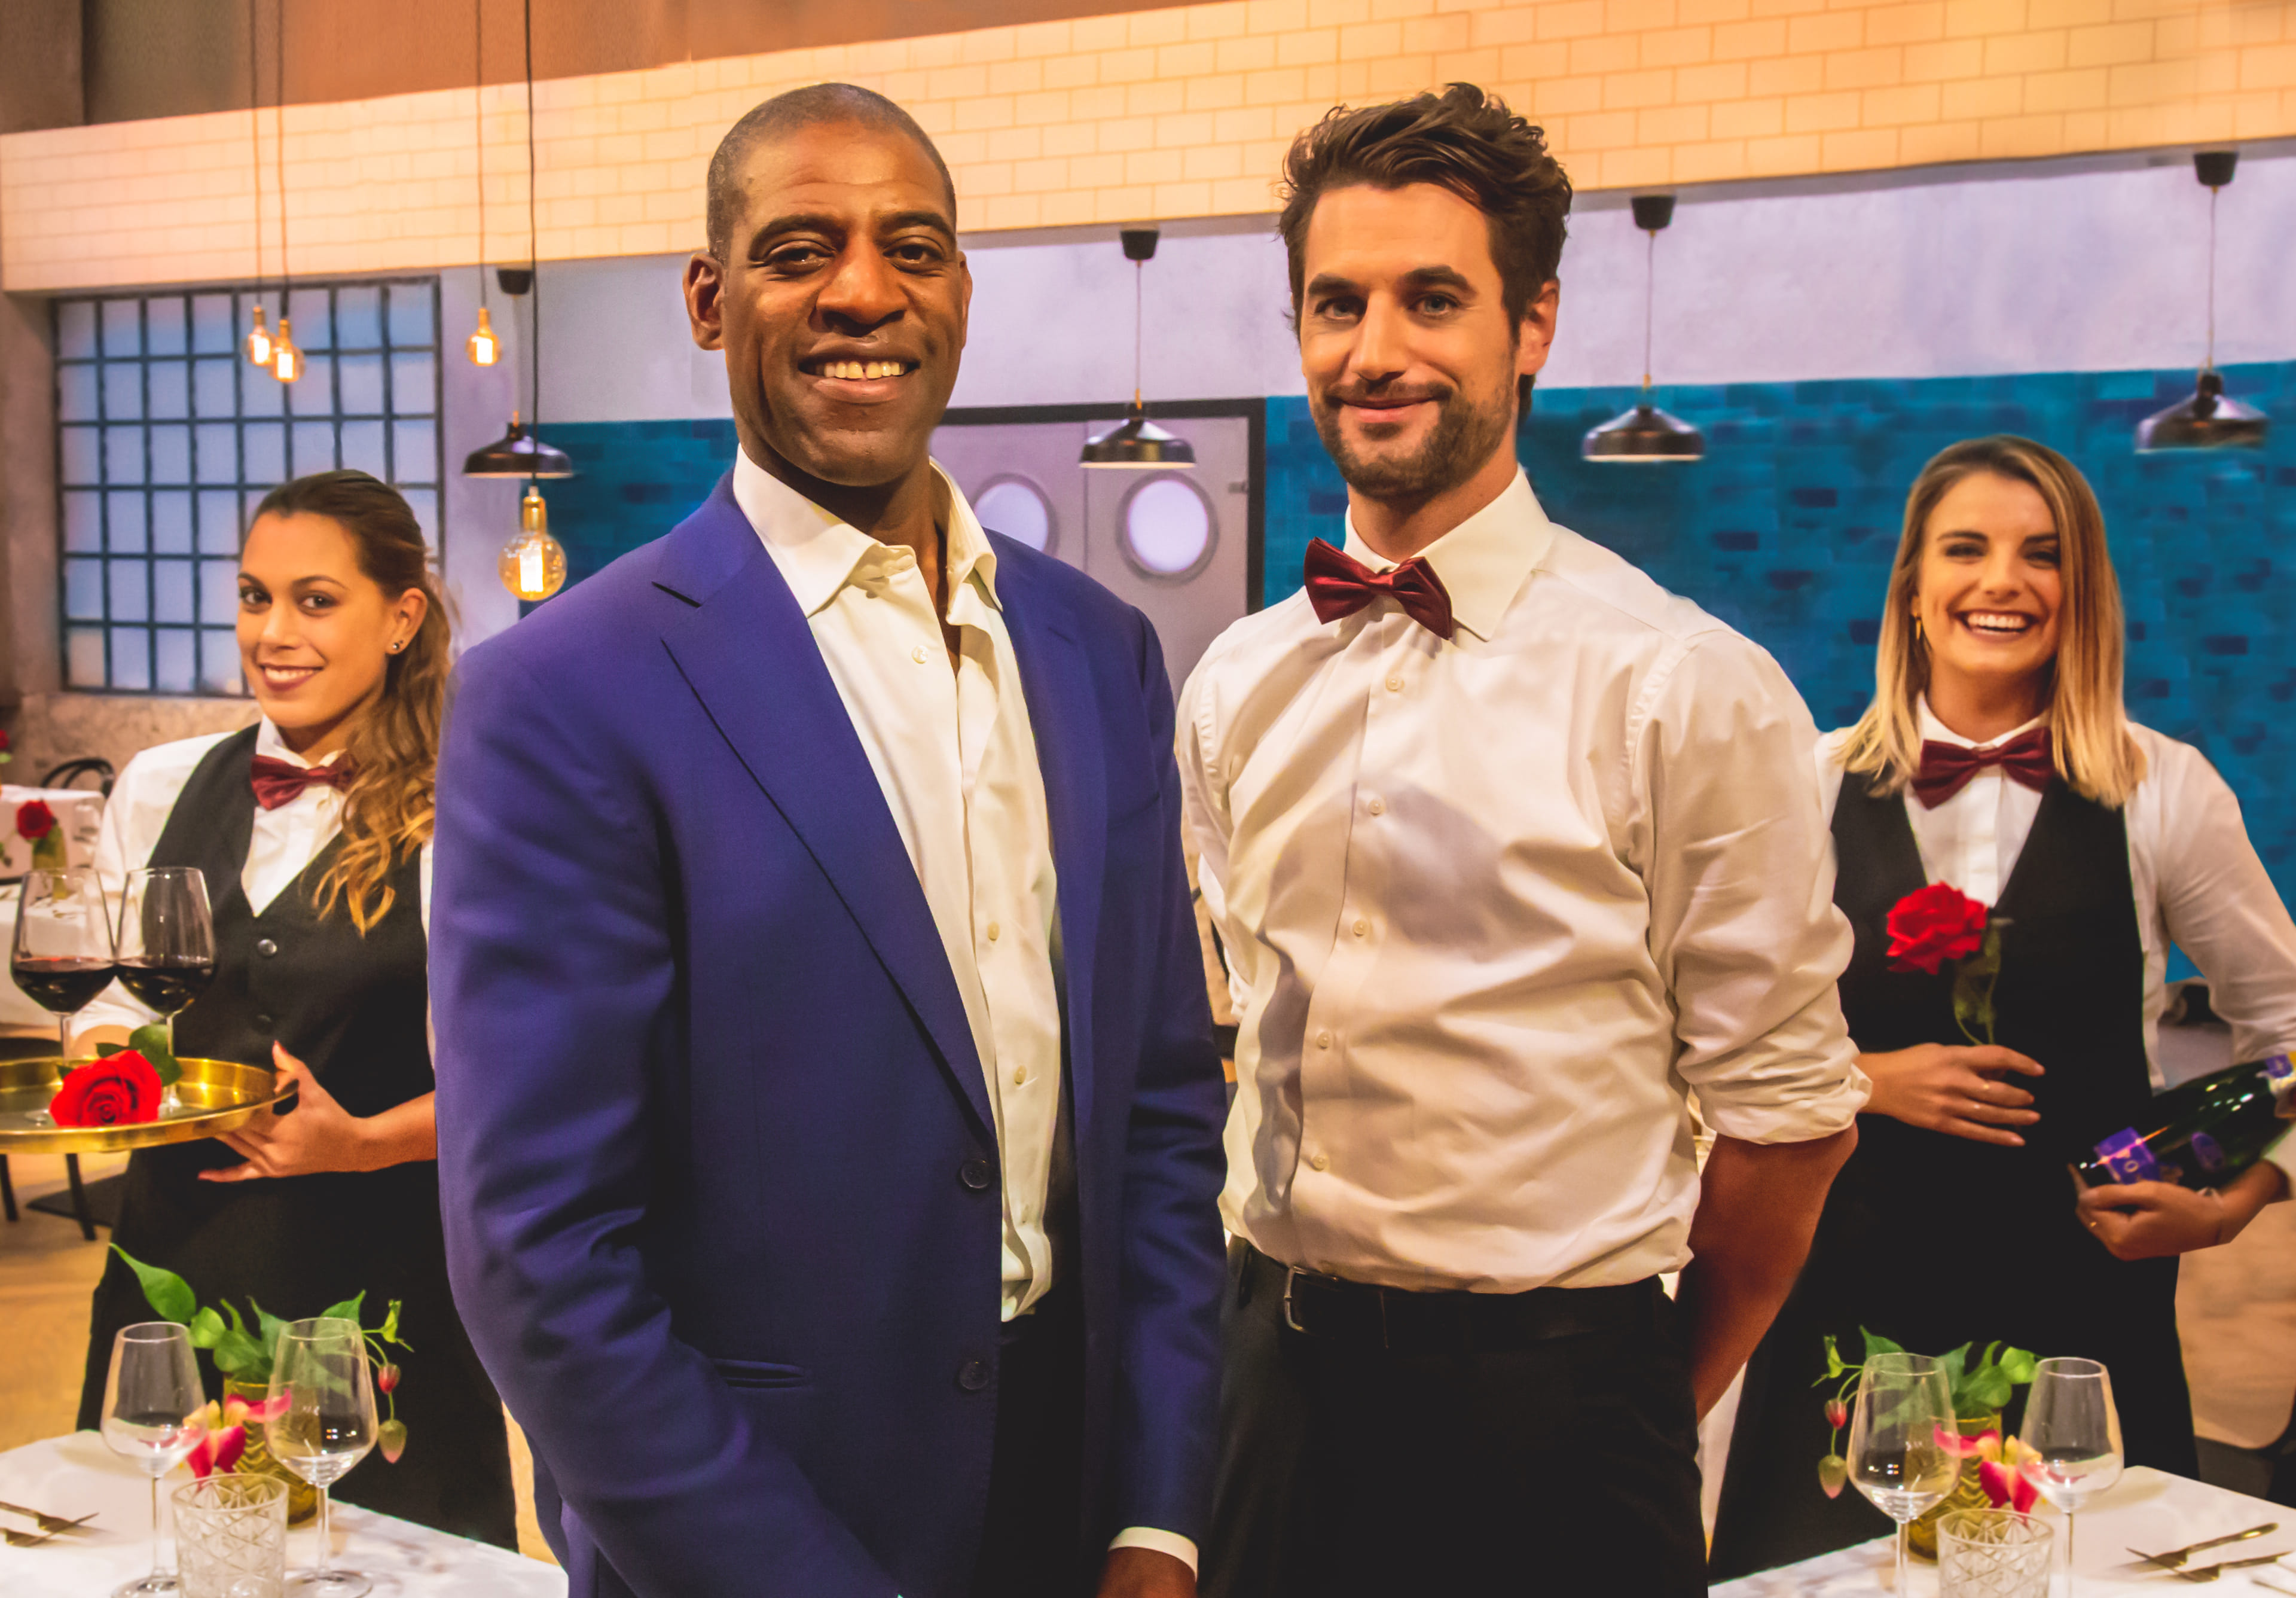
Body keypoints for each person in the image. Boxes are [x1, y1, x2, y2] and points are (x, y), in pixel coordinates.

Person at [429, 84, 1225, 1598]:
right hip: (760, 1521)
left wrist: (1158, 1512)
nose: (864, 291)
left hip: (1079, 1506)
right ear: (708, 299)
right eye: (801, 250)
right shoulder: (567, 692)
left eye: (911, 248)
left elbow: (1167, 1114)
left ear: (961, 293)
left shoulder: (1098, 648)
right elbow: (540, 1250)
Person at [1177, 84, 1865, 1598]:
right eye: (1337, 303)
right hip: (1270, 1388)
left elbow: (1791, 1126)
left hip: (1561, 1413)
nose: (1375, 350)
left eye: (1433, 299)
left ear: (1532, 322)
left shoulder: (1681, 684)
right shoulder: (1233, 682)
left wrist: (1633, 1397)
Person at [1708, 435, 2296, 1577]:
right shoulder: (1805, 785)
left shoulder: (2165, 790)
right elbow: (1708, 1036)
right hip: (1849, 1308)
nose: (2003, 581)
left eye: (2043, 554)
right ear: (1913, 591)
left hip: (2082, 1318)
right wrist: (1866, 1079)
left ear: (2083, 592)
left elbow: (2289, 1037)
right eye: (1966, 549)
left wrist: (2234, 1206)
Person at [72, 468, 516, 1547]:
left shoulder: (476, 806)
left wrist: (359, 1144)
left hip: (371, 1291)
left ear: (401, 618)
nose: (273, 633)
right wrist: (127, 1069)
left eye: (315, 601)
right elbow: (105, 1004)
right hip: (167, 1275)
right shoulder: (159, 785)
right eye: (253, 597)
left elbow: (522, 1082)